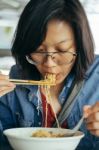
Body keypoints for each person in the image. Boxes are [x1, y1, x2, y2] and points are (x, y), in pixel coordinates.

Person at [0, 0, 99, 149]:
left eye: (62, 50)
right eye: (38, 50)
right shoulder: (15, 80)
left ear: (80, 45)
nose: (49, 64)